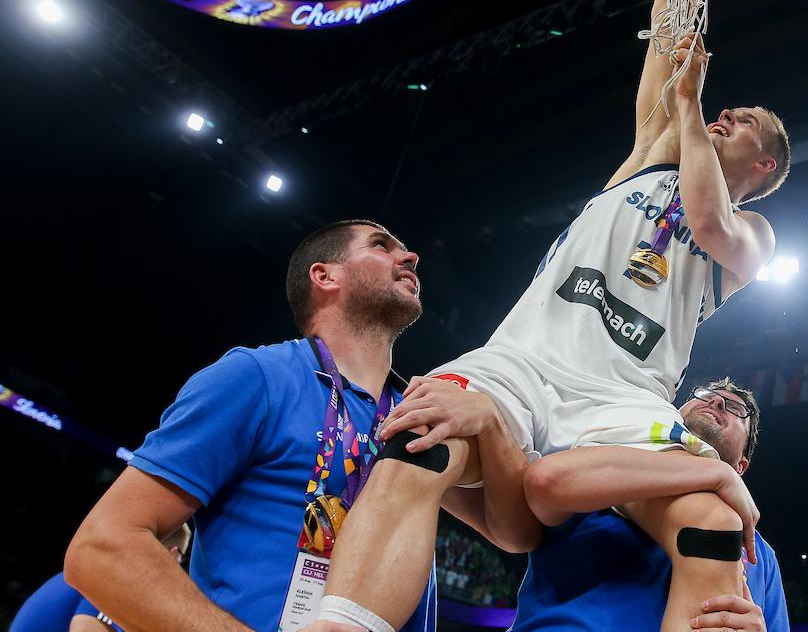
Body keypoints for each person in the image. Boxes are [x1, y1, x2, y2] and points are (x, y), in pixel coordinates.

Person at [315, 0, 791, 629]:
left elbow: (706, 216)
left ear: (766, 169)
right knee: (419, 444)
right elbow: (671, 31)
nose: (733, 113)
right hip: (527, 362)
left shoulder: (754, 237)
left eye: (751, 125)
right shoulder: (649, 156)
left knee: (710, 521)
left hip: (625, 394)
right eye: (729, 110)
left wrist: (696, 110)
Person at [63, 220, 537, 632]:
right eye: (380, 245)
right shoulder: (256, 377)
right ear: (324, 276)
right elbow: (103, 548)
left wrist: (492, 423)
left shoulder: (418, 408)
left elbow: (515, 534)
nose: (409, 255)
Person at [515, 379, 788, 632]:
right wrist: (717, 474)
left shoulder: (760, 556)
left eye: (736, 409)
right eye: (706, 396)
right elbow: (547, 479)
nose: (716, 403)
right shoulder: (607, 474)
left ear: (741, 465)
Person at [12, 524, 191, 632]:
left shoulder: (104, 569)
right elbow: (86, 629)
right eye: (182, 559)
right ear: (172, 554)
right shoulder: (123, 579)